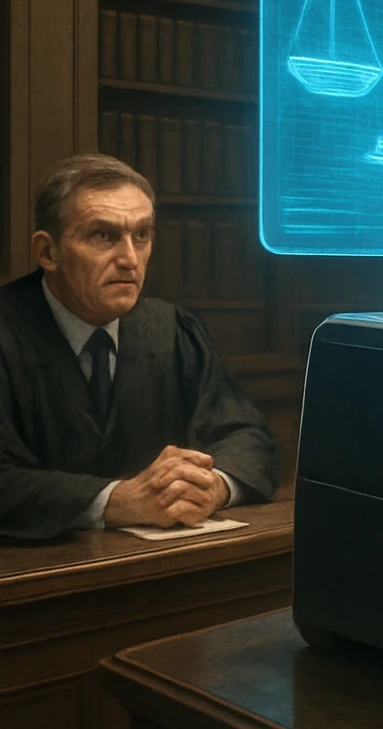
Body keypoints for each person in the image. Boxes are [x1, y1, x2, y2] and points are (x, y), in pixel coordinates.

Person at [0, 154, 279, 539]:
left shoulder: (172, 330)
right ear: (49, 252)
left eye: (142, 235)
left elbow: (249, 439)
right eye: (103, 236)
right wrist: (115, 501)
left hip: (163, 562)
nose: (130, 259)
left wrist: (211, 485)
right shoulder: (8, 332)